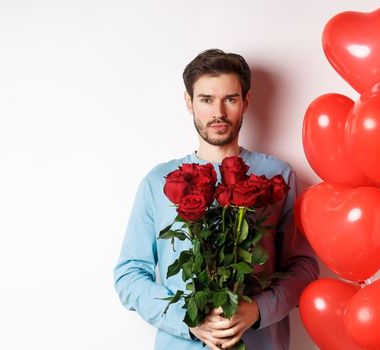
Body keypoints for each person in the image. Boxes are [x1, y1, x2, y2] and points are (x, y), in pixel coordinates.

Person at [113, 49, 319, 350]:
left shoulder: (278, 176)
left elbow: (303, 266)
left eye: (230, 99)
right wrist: (187, 318)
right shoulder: (159, 182)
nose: (218, 113)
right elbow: (129, 274)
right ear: (189, 102)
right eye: (206, 99)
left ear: (246, 101)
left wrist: (259, 310)